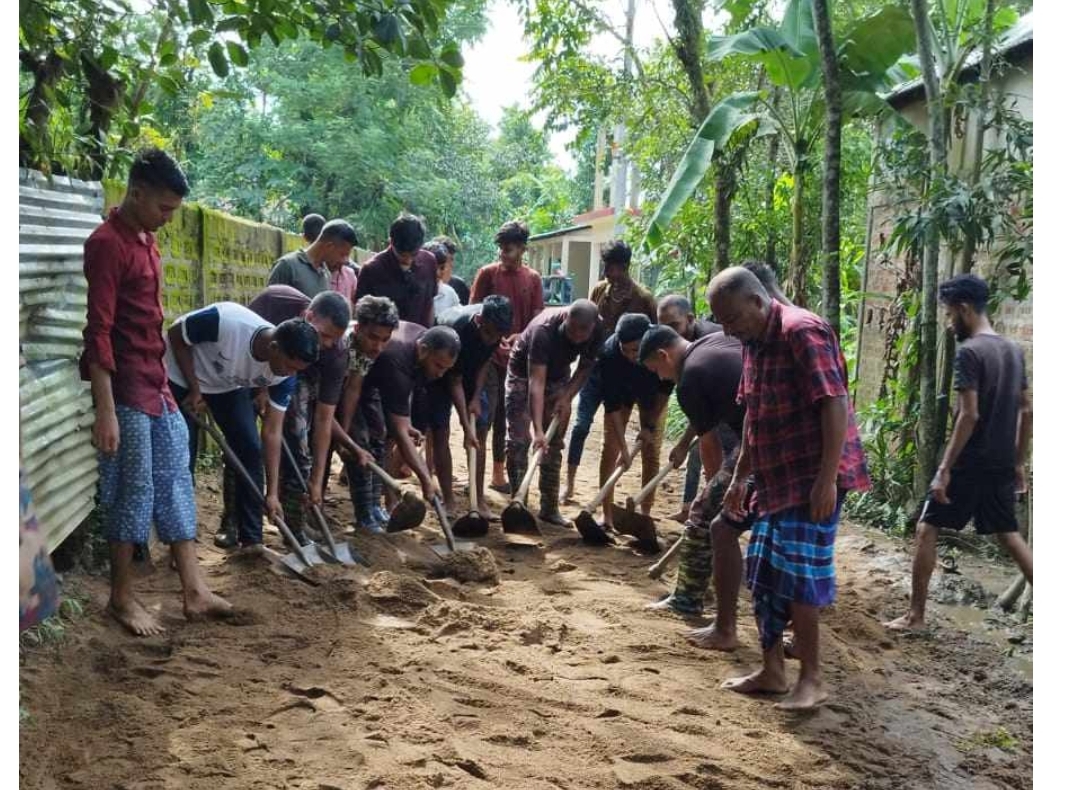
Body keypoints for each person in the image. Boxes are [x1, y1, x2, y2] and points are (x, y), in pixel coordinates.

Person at [81, 147, 230, 635]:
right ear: (136, 193)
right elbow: (98, 331)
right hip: (123, 388)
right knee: (133, 489)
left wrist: (168, 384)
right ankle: (121, 598)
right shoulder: (106, 244)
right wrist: (105, 409)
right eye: (163, 209)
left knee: (176, 479)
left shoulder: (146, 238)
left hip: (156, 380)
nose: (168, 219)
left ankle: (193, 590)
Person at [708, 266, 869, 711]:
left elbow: (834, 404)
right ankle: (773, 670)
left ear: (758, 302)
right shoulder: (753, 343)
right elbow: (754, 416)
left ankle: (812, 679)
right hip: (774, 477)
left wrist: (825, 481)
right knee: (764, 572)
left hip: (812, 477)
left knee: (799, 577)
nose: (728, 330)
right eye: (721, 322)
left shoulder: (803, 331)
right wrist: (741, 476)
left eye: (733, 320)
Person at [886, 274, 1033, 632]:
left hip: (969, 461)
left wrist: (945, 468)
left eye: (951, 314)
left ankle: (916, 617)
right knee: (1008, 535)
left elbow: (969, 414)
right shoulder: (1013, 350)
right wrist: (1018, 462)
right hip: (1000, 461)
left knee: (926, 527)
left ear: (964, 308)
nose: (950, 323)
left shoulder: (969, 353)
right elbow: (1028, 410)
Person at [639, 324, 757, 653]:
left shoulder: (689, 377)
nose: (662, 378)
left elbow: (709, 445)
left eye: (657, 370)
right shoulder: (714, 339)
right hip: (772, 432)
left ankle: (688, 600)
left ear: (664, 355)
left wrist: (711, 492)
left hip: (760, 439)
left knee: (705, 516)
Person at [166, 303, 320, 551]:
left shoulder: (285, 375)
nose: (292, 374)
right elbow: (176, 333)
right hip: (180, 377)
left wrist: (272, 493)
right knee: (183, 457)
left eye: (297, 370)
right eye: (290, 366)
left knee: (249, 448)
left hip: (225, 384)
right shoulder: (226, 323)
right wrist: (194, 387)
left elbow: (272, 432)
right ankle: (180, 541)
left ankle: (252, 540)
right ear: (274, 347)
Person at [234, 286, 371, 548]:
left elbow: (323, 418)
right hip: (243, 369)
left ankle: (294, 526)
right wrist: (261, 388)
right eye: (325, 335)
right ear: (309, 317)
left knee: (298, 442)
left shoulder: (335, 353)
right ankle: (233, 524)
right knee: (243, 442)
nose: (327, 344)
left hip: (291, 375)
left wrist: (317, 482)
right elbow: (249, 345)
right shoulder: (274, 303)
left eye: (335, 339)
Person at [564, 240, 657, 503]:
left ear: (625, 267)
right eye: (606, 266)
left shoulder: (644, 299)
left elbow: (656, 337)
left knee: (633, 442)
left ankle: (641, 507)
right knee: (581, 425)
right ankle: (570, 485)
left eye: (612, 267)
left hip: (628, 376)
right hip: (596, 370)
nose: (607, 272)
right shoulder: (599, 291)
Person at [506, 300, 605, 525]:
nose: (577, 338)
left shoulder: (598, 328)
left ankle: (549, 508)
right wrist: (538, 429)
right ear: (565, 319)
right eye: (572, 331)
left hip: (560, 374)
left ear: (591, 327)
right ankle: (518, 504)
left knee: (554, 441)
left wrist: (567, 396)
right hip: (524, 373)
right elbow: (536, 382)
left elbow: (585, 367)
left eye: (583, 334)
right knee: (519, 440)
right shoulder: (544, 331)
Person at [471, 220, 545, 497]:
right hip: (488, 355)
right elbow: (474, 311)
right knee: (485, 415)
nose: (504, 253)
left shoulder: (533, 279)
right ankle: (477, 482)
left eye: (510, 248)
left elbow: (538, 318)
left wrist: (519, 336)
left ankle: (498, 472)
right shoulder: (487, 274)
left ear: (523, 249)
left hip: (519, 358)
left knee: (509, 416)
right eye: (501, 248)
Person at [422, 296, 513, 516]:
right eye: (489, 334)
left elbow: (484, 363)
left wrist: (475, 397)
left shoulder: (494, 330)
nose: (493, 339)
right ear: (479, 320)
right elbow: (454, 381)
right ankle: (450, 501)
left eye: (498, 336)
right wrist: (464, 423)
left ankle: (478, 499)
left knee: (478, 436)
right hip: (439, 374)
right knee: (441, 433)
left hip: (470, 375)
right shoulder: (459, 330)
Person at [359, 323, 462, 511]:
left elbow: (400, 424)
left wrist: (406, 425)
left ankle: (387, 504)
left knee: (386, 436)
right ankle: (373, 507)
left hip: (376, 384)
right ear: (423, 351)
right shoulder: (399, 359)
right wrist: (426, 479)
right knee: (372, 441)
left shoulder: (424, 345)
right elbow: (399, 431)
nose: (441, 374)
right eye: (438, 366)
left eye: (446, 369)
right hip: (353, 382)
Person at [588, 314, 674, 535]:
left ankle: (644, 515)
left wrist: (650, 424)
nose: (629, 356)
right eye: (624, 350)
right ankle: (606, 514)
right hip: (622, 395)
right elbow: (612, 405)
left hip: (653, 397)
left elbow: (665, 389)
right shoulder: (608, 354)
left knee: (651, 449)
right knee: (610, 449)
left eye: (635, 350)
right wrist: (624, 449)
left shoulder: (662, 344)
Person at [656, 294, 723, 523]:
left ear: (691, 319)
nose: (670, 333)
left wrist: (684, 443)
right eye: (663, 327)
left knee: (707, 456)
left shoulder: (708, 343)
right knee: (697, 455)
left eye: (674, 325)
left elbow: (707, 407)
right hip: (713, 406)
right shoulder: (674, 348)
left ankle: (713, 513)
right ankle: (690, 509)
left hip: (732, 405)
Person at [337, 296, 402, 533]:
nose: (378, 347)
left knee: (378, 435)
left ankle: (374, 505)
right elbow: (334, 394)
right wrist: (345, 437)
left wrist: (345, 431)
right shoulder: (341, 345)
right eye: (373, 338)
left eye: (385, 340)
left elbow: (354, 388)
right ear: (358, 328)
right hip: (322, 396)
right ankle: (364, 514)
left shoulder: (367, 351)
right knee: (358, 446)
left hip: (349, 393)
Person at [354, 213, 437, 329]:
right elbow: (361, 315)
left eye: (413, 254)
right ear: (391, 242)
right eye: (402, 255)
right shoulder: (372, 270)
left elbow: (430, 303)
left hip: (419, 338)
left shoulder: (429, 262)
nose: (408, 260)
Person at [269, 219, 357, 299]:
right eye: (342, 254)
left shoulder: (325, 273)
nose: (345, 261)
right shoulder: (288, 266)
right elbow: (269, 306)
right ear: (329, 246)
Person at [426, 241, 462, 318]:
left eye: (442, 268)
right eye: (433, 268)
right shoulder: (412, 291)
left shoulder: (449, 293)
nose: (438, 273)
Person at [432, 235, 469, 305]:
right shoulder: (420, 287)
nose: (451, 265)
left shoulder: (459, 286)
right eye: (447, 260)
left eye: (452, 260)